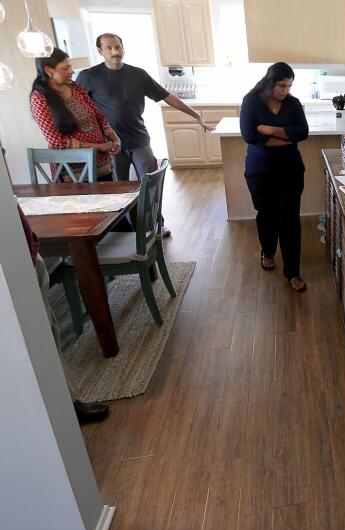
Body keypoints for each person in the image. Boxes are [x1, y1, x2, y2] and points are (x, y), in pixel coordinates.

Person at [76, 33, 212, 237]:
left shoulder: (138, 74)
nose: (115, 52)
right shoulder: (88, 77)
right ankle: (128, 232)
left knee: (150, 186)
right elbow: (78, 108)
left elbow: (167, 96)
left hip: (139, 140)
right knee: (120, 191)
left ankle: (156, 226)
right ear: (100, 51)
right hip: (111, 145)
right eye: (109, 48)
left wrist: (195, 115)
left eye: (118, 47)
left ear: (123, 48)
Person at [17, 205, 109, 424]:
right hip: (20, 263)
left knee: (48, 333)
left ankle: (64, 404)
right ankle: (63, 409)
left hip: (27, 257)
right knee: (42, 339)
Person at [239, 62, 309, 292]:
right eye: (281, 85)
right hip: (260, 171)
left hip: (290, 170)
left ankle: (293, 272)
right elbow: (249, 135)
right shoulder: (251, 102)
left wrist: (268, 129)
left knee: (290, 221)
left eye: (289, 86)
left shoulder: (293, 103)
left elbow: (303, 133)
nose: (285, 90)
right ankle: (267, 251)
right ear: (270, 82)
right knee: (267, 216)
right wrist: (287, 137)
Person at [30, 48, 120, 182]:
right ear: (49, 71)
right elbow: (57, 142)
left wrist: (115, 139)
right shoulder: (39, 98)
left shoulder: (75, 87)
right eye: (65, 68)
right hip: (73, 175)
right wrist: (98, 147)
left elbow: (99, 116)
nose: (71, 71)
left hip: (102, 165)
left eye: (70, 66)